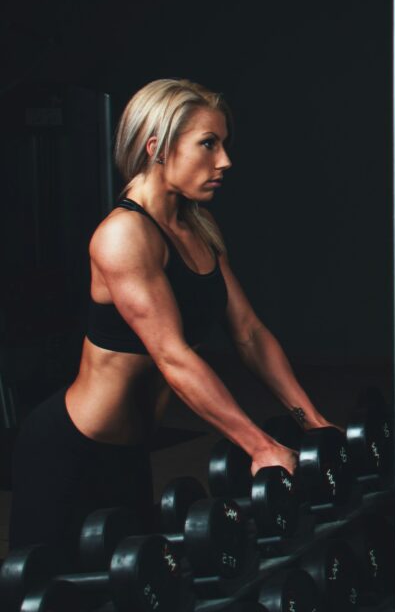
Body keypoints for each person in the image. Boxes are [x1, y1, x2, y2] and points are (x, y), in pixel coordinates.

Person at [9, 78, 335, 557]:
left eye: (223, 144)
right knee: (43, 599)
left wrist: (314, 423)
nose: (224, 161)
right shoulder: (123, 236)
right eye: (208, 144)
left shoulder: (196, 227)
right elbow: (173, 356)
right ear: (157, 146)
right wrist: (260, 446)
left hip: (130, 455)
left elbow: (249, 334)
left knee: (129, 591)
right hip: (70, 450)